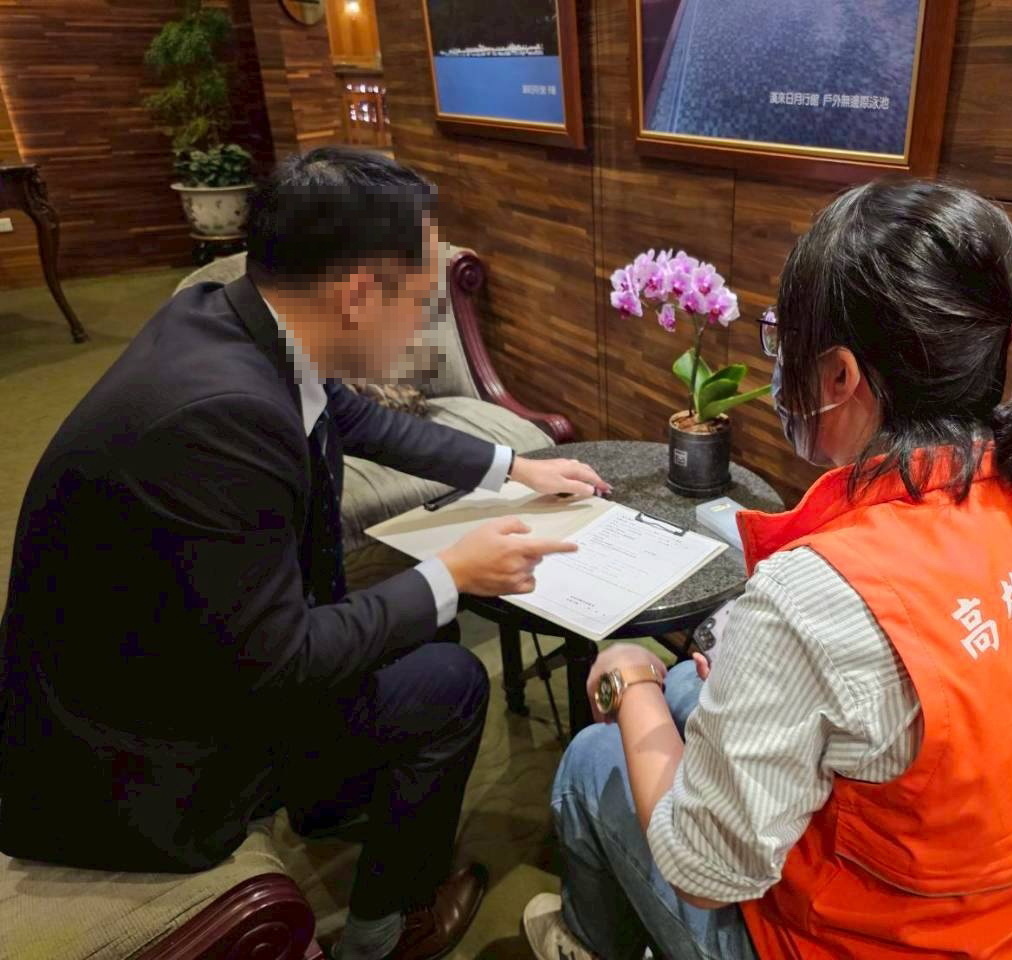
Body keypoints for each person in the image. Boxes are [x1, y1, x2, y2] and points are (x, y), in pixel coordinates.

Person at [0, 146, 609, 960]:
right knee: (453, 680)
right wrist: (453, 573)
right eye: (420, 298)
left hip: (163, 660)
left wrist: (514, 466)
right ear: (357, 296)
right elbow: (280, 662)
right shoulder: (221, 420)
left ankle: (331, 801)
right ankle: (388, 930)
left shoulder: (231, 318)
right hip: (135, 764)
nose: (423, 319)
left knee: (416, 620)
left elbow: (358, 420)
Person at [523, 179, 1012, 960]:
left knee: (595, 757)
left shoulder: (816, 595)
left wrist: (630, 677)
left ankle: (585, 942)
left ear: (841, 376)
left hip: (870, 944)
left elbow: (703, 871)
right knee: (690, 689)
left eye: (784, 342)